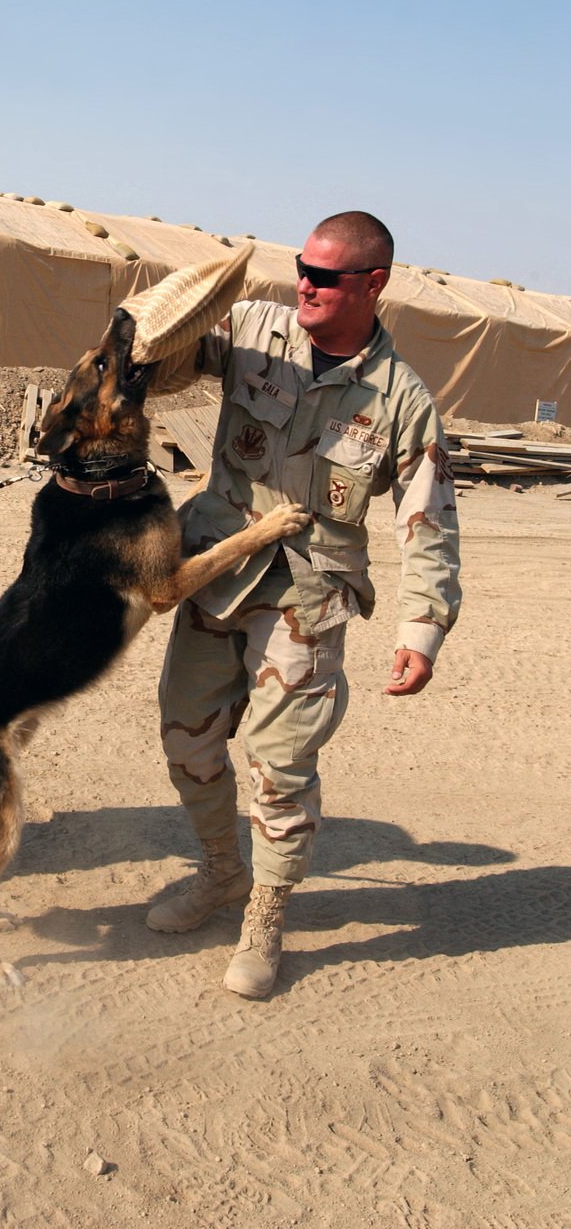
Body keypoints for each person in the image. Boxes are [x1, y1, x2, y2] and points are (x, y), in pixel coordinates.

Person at [145, 211, 461, 997]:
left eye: (323, 276)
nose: (304, 286)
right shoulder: (256, 328)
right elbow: (168, 363)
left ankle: (265, 914)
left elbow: (425, 521)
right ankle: (220, 871)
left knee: (281, 764)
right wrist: (156, 324)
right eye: (300, 269)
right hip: (214, 568)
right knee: (185, 740)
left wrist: (421, 630)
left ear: (372, 284)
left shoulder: (399, 399)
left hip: (307, 592)